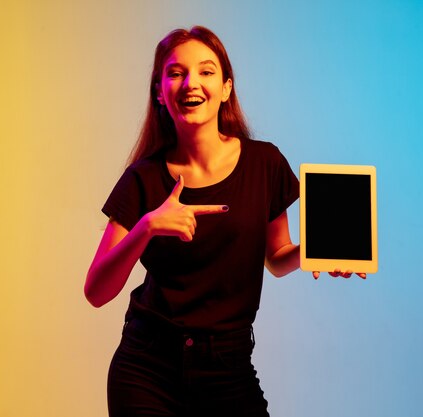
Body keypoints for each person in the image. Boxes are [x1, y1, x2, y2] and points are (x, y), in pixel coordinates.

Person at [85, 25, 363, 417]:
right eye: (176, 73)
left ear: (227, 88)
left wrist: (313, 252)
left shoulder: (264, 163)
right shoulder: (143, 178)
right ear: (159, 93)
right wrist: (147, 226)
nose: (190, 83)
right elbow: (96, 290)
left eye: (206, 71)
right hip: (147, 367)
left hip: (227, 368)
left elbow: (277, 256)